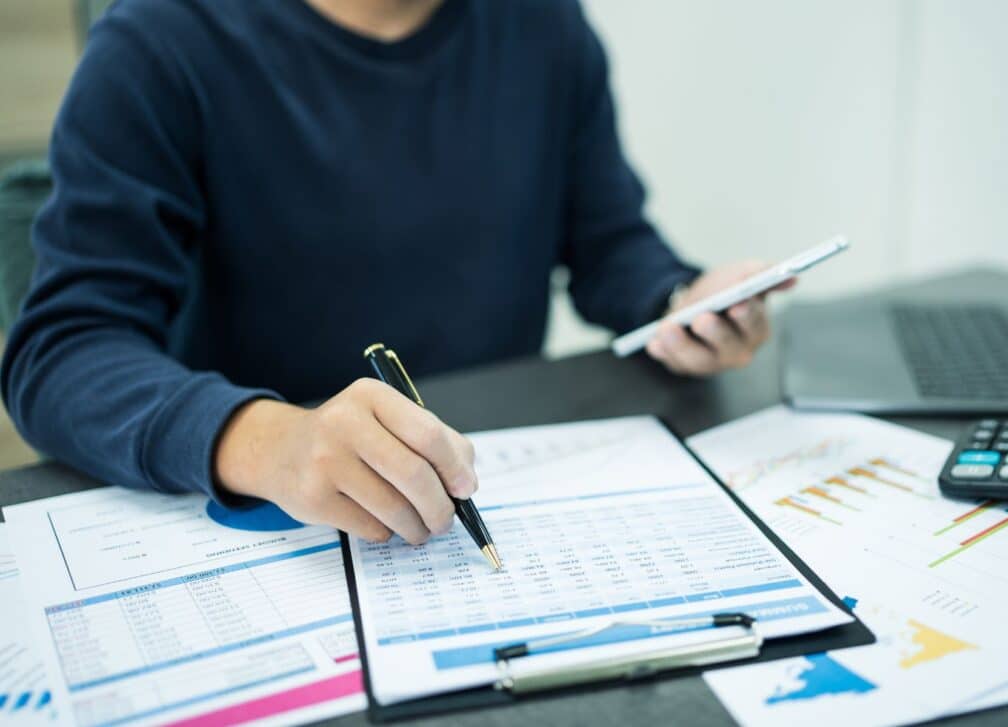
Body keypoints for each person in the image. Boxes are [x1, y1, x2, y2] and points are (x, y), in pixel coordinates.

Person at [1, 0, 786, 545]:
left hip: (492, 479)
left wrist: (678, 300)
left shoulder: (544, 27)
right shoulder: (157, 44)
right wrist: (269, 440)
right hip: (274, 528)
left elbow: (610, 242)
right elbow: (62, 351)